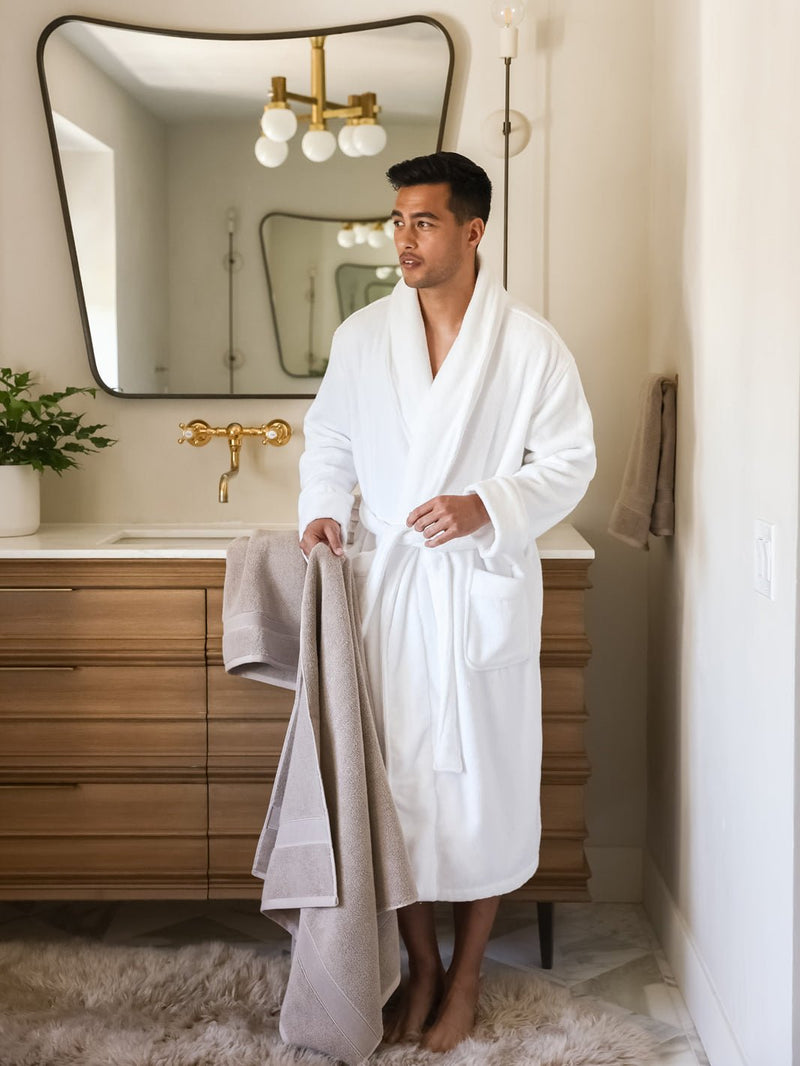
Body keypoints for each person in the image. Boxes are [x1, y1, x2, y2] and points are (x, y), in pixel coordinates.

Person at [298, 151, 595, 1053]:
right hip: (389, 594)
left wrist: (485, 506)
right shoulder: (361, 339)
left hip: (475, 593)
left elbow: (568, 463)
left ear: (472, 230)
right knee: (394, 794)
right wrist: (320, 512)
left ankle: (465, 976)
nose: (403, 239)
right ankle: (417, 966)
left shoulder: (531, 345)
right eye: (397, 221)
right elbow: (332, 442)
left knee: (485, 791)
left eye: (422, 222)